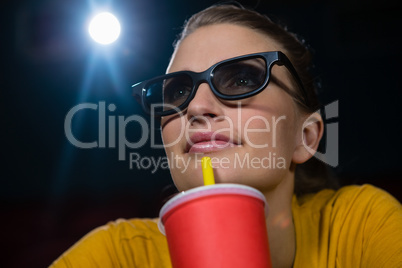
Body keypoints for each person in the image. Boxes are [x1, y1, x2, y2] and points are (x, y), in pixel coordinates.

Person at [50, 3, 402, 267]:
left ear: (305, 138)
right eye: (176, 92)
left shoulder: (362, 227)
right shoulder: (115, 256)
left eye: (242, 80)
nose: (196, 107)